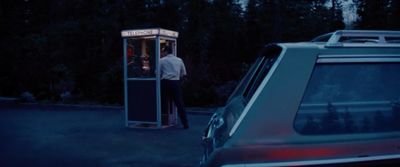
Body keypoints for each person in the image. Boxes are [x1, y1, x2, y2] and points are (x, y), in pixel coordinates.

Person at [160, 46, 189, 129]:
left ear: (166, 52)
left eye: (162, 52)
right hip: (176, 82)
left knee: (163, 102)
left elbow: (157, 72)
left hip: (165, 82)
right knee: (179, 103)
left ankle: (164, 121)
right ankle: (185, 123)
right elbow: (184, 73)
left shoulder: (161, 60)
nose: (161, 53)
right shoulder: (179, 60)